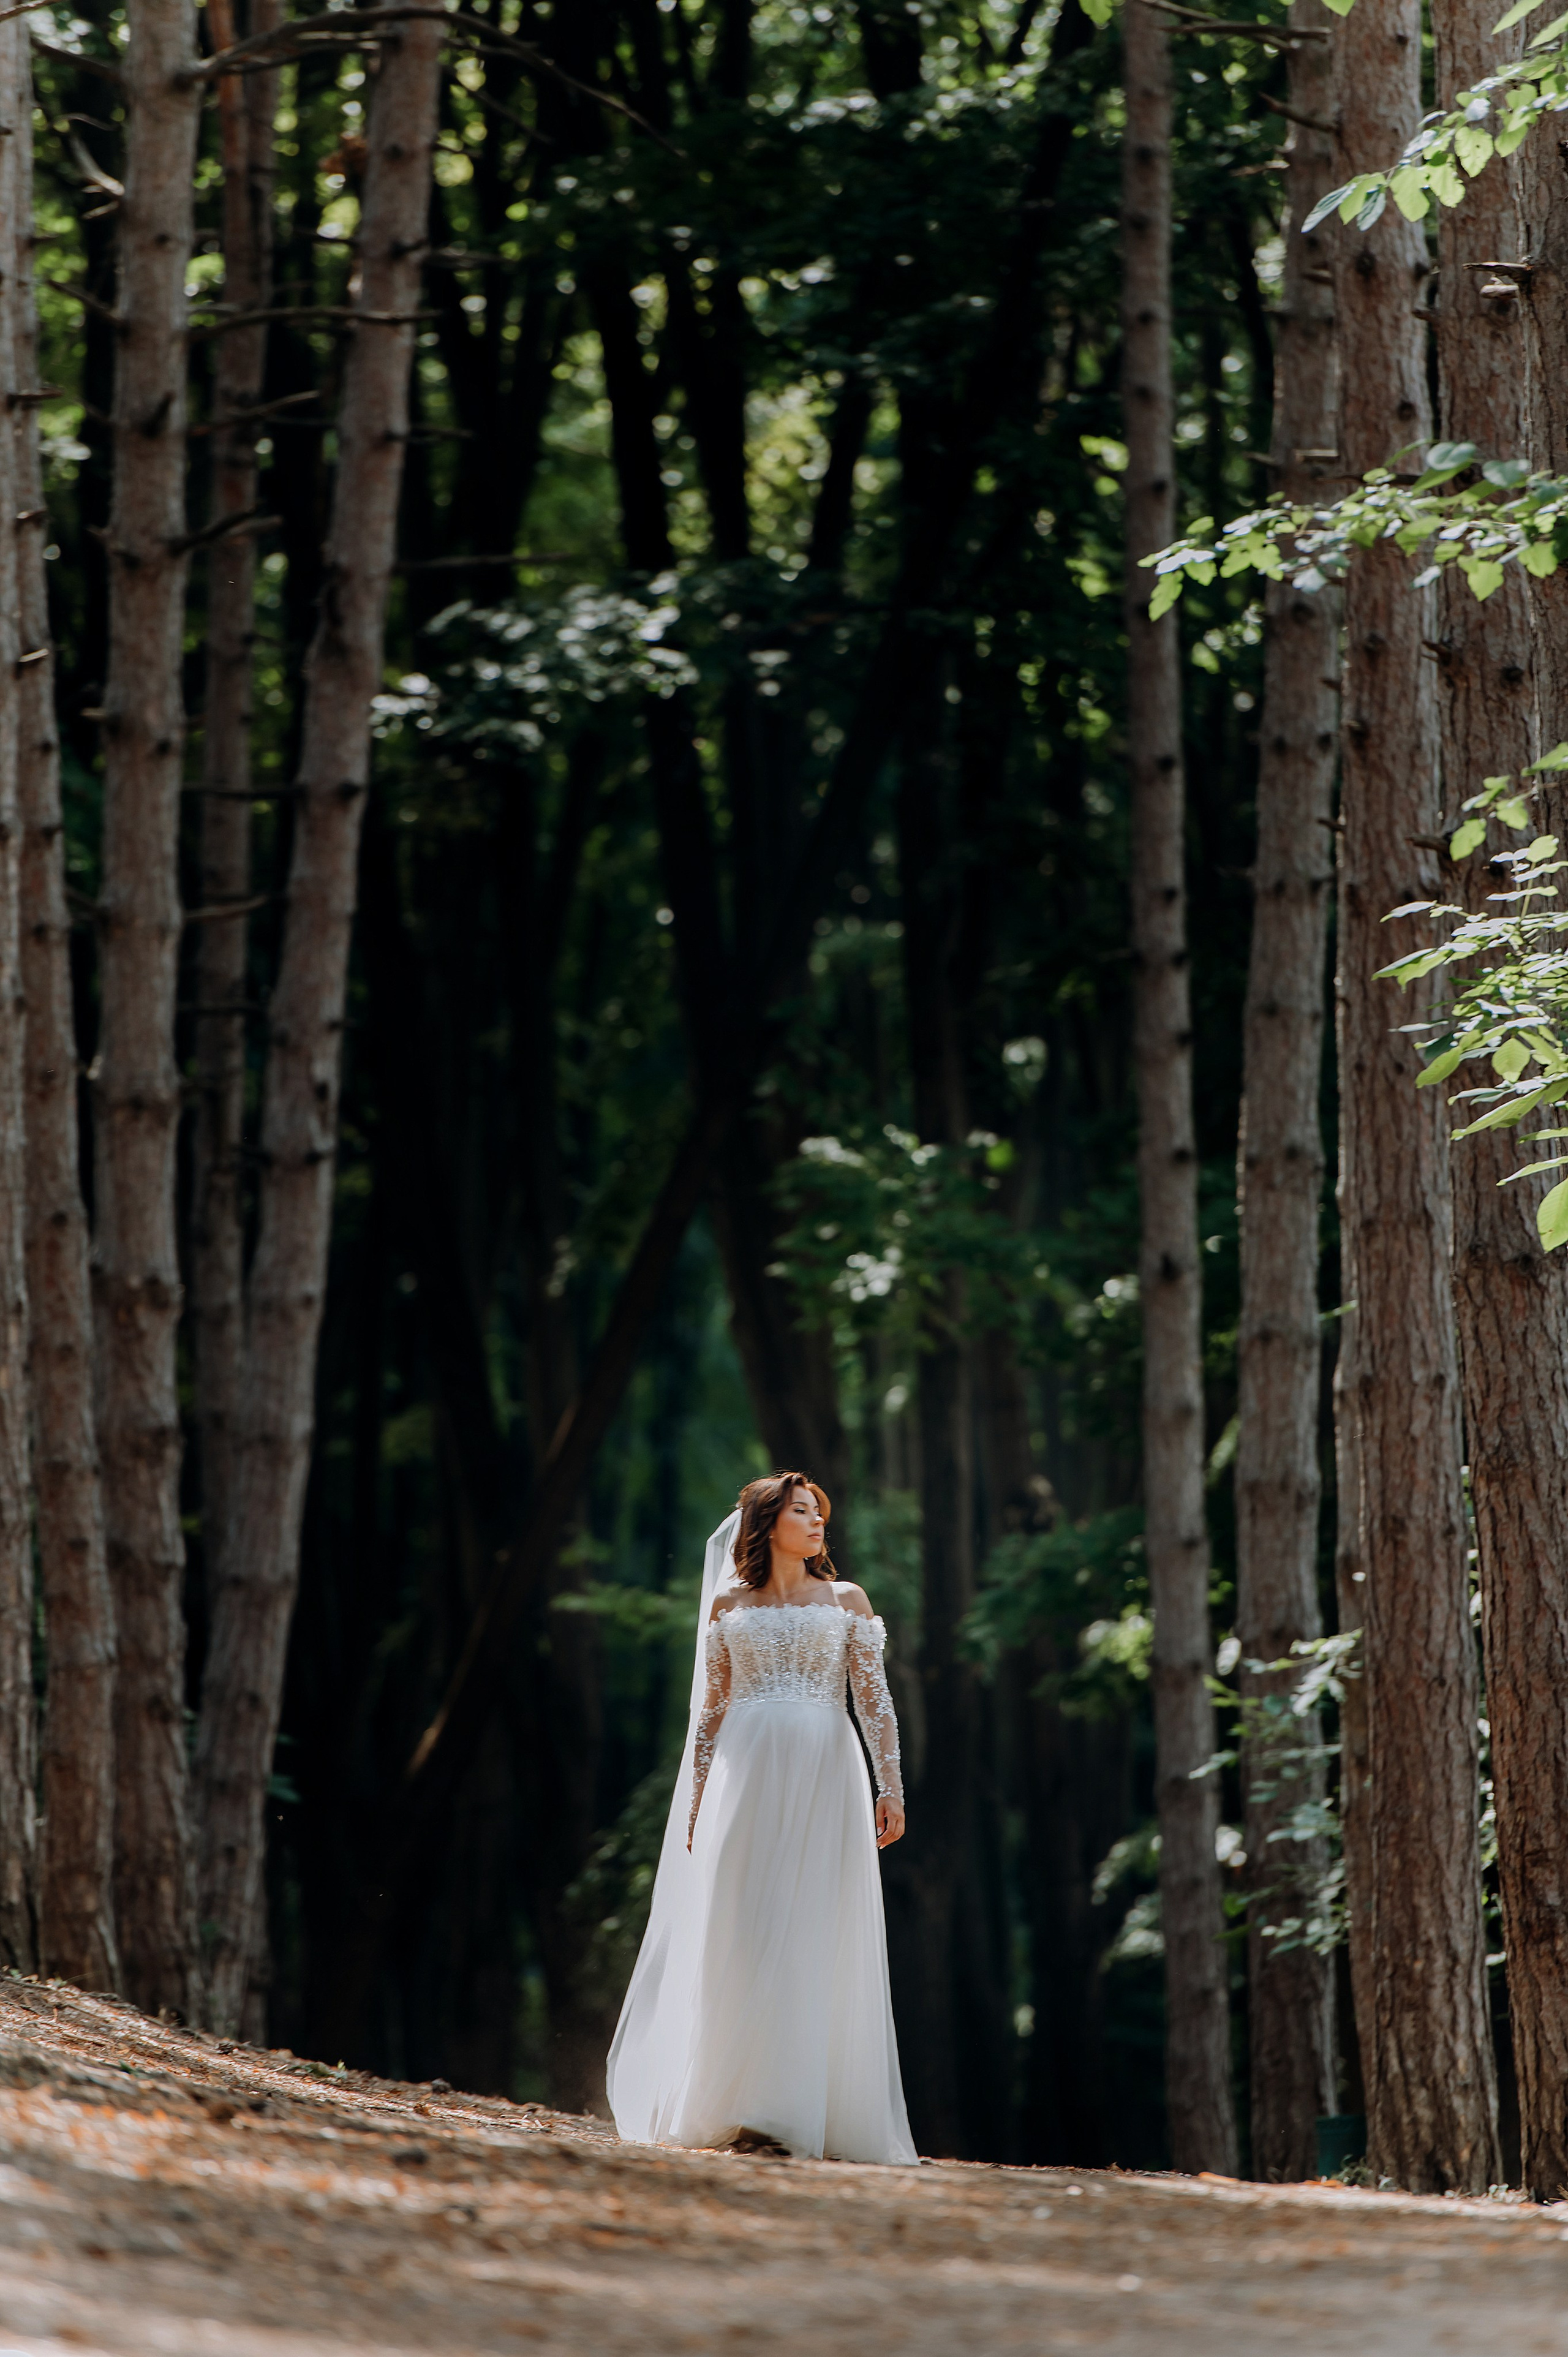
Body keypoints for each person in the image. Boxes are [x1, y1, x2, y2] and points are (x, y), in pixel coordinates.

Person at [606, 1472, 917, 2164]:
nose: (816, 1523)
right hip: (743, 1776)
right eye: (802, 1511)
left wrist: (888, 1784)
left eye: (819, 1513)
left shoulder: (845, 1599)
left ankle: (803, 2104)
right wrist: (695, 1801)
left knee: (812, 1920)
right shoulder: (727, 1602)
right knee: (740, 1923)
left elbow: (874, 1700)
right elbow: (710, 1711)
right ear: (768, 1522)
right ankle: (734, 2102)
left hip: (825, 1769)